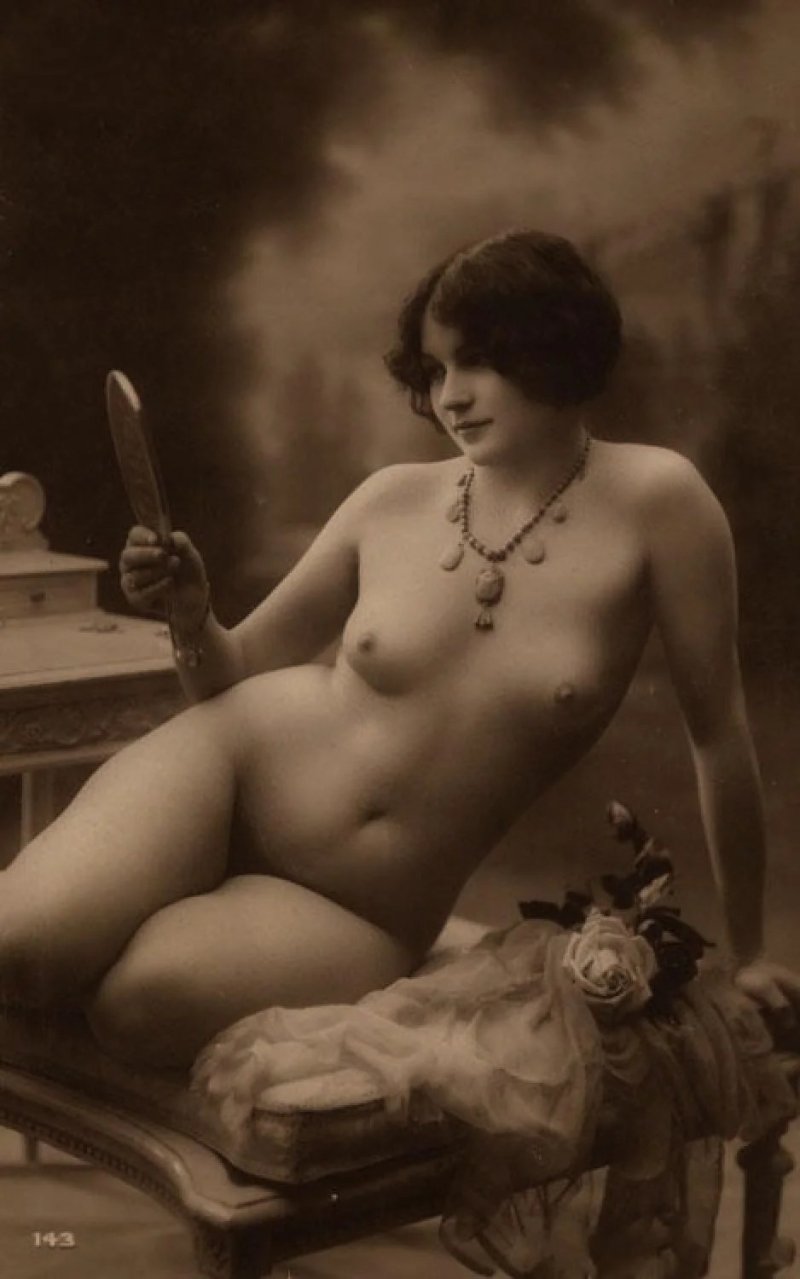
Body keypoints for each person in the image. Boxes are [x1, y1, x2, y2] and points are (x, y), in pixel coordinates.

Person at [0, 229, 797, 1076]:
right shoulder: (391, 498)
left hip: (362, 905)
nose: (451, 396)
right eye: (434, 370)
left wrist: (750, 951)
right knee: (20, 951)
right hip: (226, 769)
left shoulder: (661, 501)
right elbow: (229, 677)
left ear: (555, 347)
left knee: (137, 1005)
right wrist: (194, 618)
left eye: (477, 361)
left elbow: (718, 736)